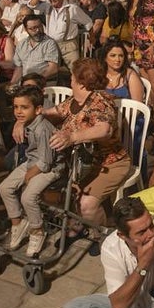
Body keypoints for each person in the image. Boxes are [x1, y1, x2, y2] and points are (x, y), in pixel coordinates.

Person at [42, 58, 129, 236]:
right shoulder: (73, 101)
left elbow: (104, 129)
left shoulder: (100, 103)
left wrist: (72, 136)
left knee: (86, 204)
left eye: (72, 78)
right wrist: (25, 119)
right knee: (51, 190)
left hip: (110, 163)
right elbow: (52, 113)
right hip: (81, 164)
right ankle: (77, 226)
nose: (70, 81)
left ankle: (101, 235)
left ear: (81, 83)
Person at [0, 86, 57, 257]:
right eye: (16, 107)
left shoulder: (42, 128)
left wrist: (30, 174)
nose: (19, 112)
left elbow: (46, 162)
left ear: (38, 109)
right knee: (5, 187)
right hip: (33, 161)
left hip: (50, 167)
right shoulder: (28, 122)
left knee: (27, 197)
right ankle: (18, 224)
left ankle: (37, 230)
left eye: (24, 107)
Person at [9, 13, 60, 84]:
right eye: (33, 28)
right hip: (26, 83)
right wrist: (12, 83)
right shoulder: (21, 44)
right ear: (26, 29)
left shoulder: (49, 43)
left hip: (44, 82)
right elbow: (19, 68)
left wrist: (34, 81)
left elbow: (53, 68)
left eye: (39, 27)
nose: (38, 30)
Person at [101, 38, 146, 103]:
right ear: (105, 58)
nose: (117, 59)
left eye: (121, 56)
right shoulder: (100, 74)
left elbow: (137, 106)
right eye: (113, 56)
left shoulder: (130, 76)